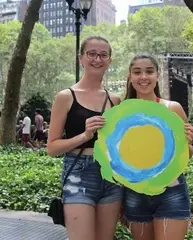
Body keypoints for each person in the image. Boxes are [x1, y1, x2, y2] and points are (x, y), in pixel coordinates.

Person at [47, 36, 123, 240]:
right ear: (81, 58)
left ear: (109, 60)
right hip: (78, 174)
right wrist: (85, 135)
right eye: (91, 54)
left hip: (111, 175)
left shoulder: (115, 100)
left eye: (103, 55)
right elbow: (52, 147)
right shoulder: (66, 96)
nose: (97, 59)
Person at [122, 54, 193, 240]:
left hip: (172, 192)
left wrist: (186, 141)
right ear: (130, 76)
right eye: (137, 72)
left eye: (149, 71)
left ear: (158, 74)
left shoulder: (173, 108)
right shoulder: (120, 112)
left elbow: (187, 155)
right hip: (135, 192)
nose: (143, 77)